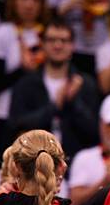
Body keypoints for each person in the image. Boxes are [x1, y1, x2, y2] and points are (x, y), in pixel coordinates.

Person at [9, 19, 100, 160]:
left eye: (64, 41)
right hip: (35, 163)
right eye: (52, 40)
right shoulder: (26, 84)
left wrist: (73, 102)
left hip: (76, 163)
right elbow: (16, 126)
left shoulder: (86, 84)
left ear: (72, 46)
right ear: (43, 45)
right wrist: (54, 107)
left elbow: (94, 132)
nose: (58, 45)